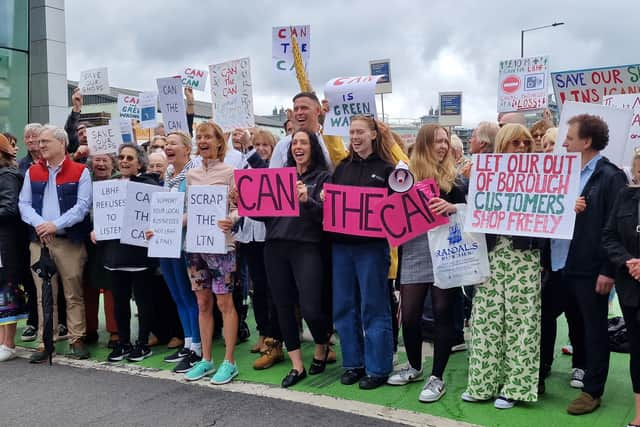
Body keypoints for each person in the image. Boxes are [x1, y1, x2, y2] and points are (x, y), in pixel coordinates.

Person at [549, 114, 628, 415]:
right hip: (559, 263)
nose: (564, 142)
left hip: (589, 266)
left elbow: (616, 227)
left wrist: (608, 270)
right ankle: (541, 372)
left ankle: (592, 391)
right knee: (546, 317)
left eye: (569, 137)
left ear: (586, 141)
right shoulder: (563, 173)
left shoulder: (611, 176)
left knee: (593, 329)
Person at [462, 124, 544, 409]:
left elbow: (552, 215)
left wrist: (571, 207)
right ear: (502, 146)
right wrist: (471, 187)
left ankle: (515, 389)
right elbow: (470, 213)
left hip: (525, 258)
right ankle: (482, 384)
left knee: (523, 326)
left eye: (526, 142)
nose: (521, 147)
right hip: (492, 255)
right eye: (515, 143)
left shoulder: (542, 177)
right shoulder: (482, 175)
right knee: (485, 320)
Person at [387, 124, 465, 402]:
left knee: (443, 313)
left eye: (445, 141)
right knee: (409, 314)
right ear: (423, 145)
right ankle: (415, 366)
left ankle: (437, 376)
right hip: (415, 250)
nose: (443, 146)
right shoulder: (404, 176)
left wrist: (453, 208)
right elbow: (391, 214)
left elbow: (471, 213)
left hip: (446, 250)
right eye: (436, 142)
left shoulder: (456, 180)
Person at [254, 129, 333, 388]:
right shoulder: (279, 177)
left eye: (303, 142)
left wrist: (307, 200)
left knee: (311, 307)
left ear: (313, 147)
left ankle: (322, 344)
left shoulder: (324, 177)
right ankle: (297, 365)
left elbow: (328, 217)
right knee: (283, 306)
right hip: (275, 247)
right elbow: (265, 214)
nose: (298, 146)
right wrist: (246, 203)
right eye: (294, 142)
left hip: (307, 247)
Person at [329, 115, 395, 389]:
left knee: (374, 307)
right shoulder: (342, 167)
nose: (355, 138)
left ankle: (378, 368)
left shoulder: (388, 169)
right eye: (351, 132)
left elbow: (397, 211)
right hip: (342, 247)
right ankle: (353, 363)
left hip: (371, 248)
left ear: (373, 135)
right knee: (344, 307)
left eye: (360, 132)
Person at [18, 125, 92, 363]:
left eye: (45, 142)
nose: (40, 146)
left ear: (62, 143)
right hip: (40, 241)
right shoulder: (32, 171)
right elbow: (24, 204)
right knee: (43, 295)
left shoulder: (81, 171)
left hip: (68, 241)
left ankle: (76, 337)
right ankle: (45, 340)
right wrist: (42, 225)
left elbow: (82, 207)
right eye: (39, 142)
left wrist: (54, 224)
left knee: (73, 292)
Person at [183, 121, 240, 385]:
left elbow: (241, 207)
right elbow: (189, 212)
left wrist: (232, 218)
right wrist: (161, 226)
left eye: (208, 137)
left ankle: (229, 361)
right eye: (199, 137)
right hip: (196, 247)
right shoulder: (191, 175)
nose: (203, 141)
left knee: (224, 304)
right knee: (202, 303)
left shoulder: (231, 172)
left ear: (219, 142)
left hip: (221, 247)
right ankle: (206, 359)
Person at [148, 131, 202, 374]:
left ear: (186, 149)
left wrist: (177, 221)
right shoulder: (168, 175)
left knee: (190, 297)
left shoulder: (193, 174)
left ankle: (197, 348)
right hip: (165, 243)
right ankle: (187, 342)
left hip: (183, 245)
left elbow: (199, 206)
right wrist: (153, 227)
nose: (168, 147)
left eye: (173, 144)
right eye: (166, 143)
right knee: (178, 296)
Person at [100, 143, 159, 363]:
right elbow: (102, 215)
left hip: (139, 254)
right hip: (115, 254)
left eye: (129, 158)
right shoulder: (110, 186)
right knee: (120, 301)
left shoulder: (149, 185)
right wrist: (98, 230)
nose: (124, 161)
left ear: (139, 163)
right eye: (121, 157)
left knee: (143, 301)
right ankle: (123, 342)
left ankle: (142, 343)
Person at [235, 130, 285, 370]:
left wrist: (252, 152)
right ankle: (262, 331)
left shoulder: (274, 169)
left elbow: (265, 174)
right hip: (249, 235)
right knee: (258, 287)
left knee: (274, 288)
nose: (262, 148)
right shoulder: (244, 169)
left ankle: (275, 337)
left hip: (270, 236)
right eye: (257, 144)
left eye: (266, 144)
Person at [603, 180, 640, 427]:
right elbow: (609, 236)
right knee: (638, 349)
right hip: (631, 286)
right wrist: (628, 261)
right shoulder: (626, 197)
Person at [84, 154, 119, 347]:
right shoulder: (85, 180)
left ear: (112, 163)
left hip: (112, 240)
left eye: (105, 160)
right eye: (97, 160)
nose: (101, 164)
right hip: (86, 239)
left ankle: (114, 331)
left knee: (111, 285)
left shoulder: (120, 181)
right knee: (88, 284)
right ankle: (89, 328)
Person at [0, 134, 28, 361]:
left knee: (7, 290)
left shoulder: (7, 176)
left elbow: (10, 209)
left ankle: (8, 343)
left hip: (6, 245)